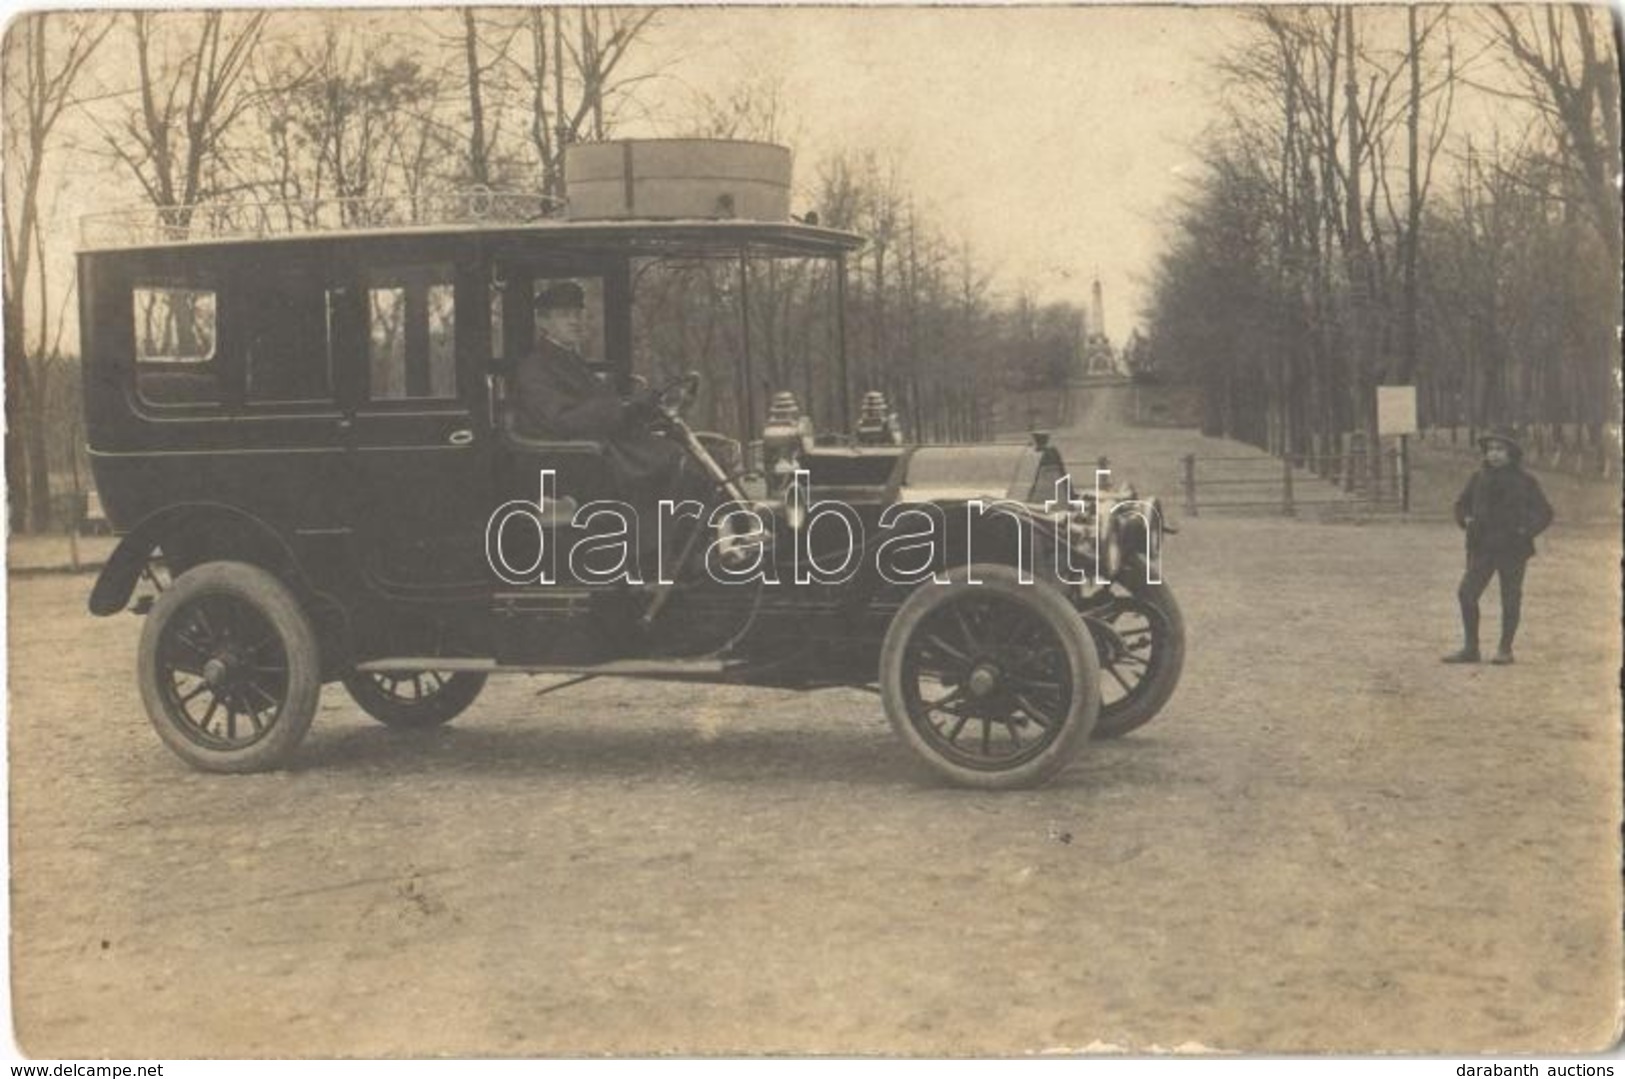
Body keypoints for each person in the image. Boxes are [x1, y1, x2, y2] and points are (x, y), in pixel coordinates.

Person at [509, 281, 709, 573]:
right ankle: (659, 557)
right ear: (543, 321)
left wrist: (638, 406)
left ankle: (684, 550)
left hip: (599, 450)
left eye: (578, 313)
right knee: (677, 461)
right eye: (565, 314)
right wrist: (623, 409)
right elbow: (563, 420)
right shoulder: (535, 368)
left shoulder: (567, 359)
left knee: (686, 455)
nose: (575, 320)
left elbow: (596, 406)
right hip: (575, 461)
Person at [1442, 426, 1553, 665]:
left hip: (1513, 549)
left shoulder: (1525, 481)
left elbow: (1545, 513)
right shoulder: (1478, 478)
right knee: (1466, 594)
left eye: (1500, 449)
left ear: (1512, 453)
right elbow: (1461, 505)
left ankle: (1505, 649)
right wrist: (1466, 519)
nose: (1494, 454)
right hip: (1482, 546)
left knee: (1510, 598)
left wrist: (1525, 531)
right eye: (1490, 449)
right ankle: (1471, 648)